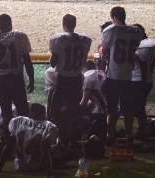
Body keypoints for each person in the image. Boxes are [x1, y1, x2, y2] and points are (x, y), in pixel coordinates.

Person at [0, 14, 34, 141]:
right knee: (23, 112)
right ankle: (24, 140)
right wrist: (31, 80)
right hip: (15, 78)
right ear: (10, 23)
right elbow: (27, 60)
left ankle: (7, 141)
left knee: (6, 114)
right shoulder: (19, 36)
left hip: (1, 80)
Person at [100, 7, 144, 145]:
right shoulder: (136, 31)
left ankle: (110, 136)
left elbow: (104, 53)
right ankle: (129, 136)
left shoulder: (110, 30)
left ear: (113, 17)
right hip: (128, 75)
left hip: (113, 74)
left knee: (112, 109)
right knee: (128, 109)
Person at [48, 14, 92, 147]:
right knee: (74, 111)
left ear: (63, 23)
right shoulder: (85, 40)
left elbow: (53, 63)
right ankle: (73, 139)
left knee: (55, 111)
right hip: (76, 79)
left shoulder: (58, 39)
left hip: (63, 79)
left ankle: (57, 138)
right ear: (75, 24)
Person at [0, 103, 76, 174]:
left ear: (31, 112)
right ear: (44, 113)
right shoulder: (50, 126)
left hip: (19, 165)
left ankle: (0, 166)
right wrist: (49, 171)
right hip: (37, 165)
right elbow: (45, 148)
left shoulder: (18, 121)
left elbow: (9, 145)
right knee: (70, 153)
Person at [130, 24, 155, 140]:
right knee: (136, 107)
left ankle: (142, 131)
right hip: (141, 80)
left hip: (141, 80)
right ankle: (140, 130)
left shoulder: (146, 45)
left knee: (138, 108)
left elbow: (132, 57)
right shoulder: (147, 43)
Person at [80, 59, 107, 140]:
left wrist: (76, 112)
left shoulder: (87, 76)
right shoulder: (101, 72)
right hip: (110, 107)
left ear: (84, 68)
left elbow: (84, 101)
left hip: (102, 111)